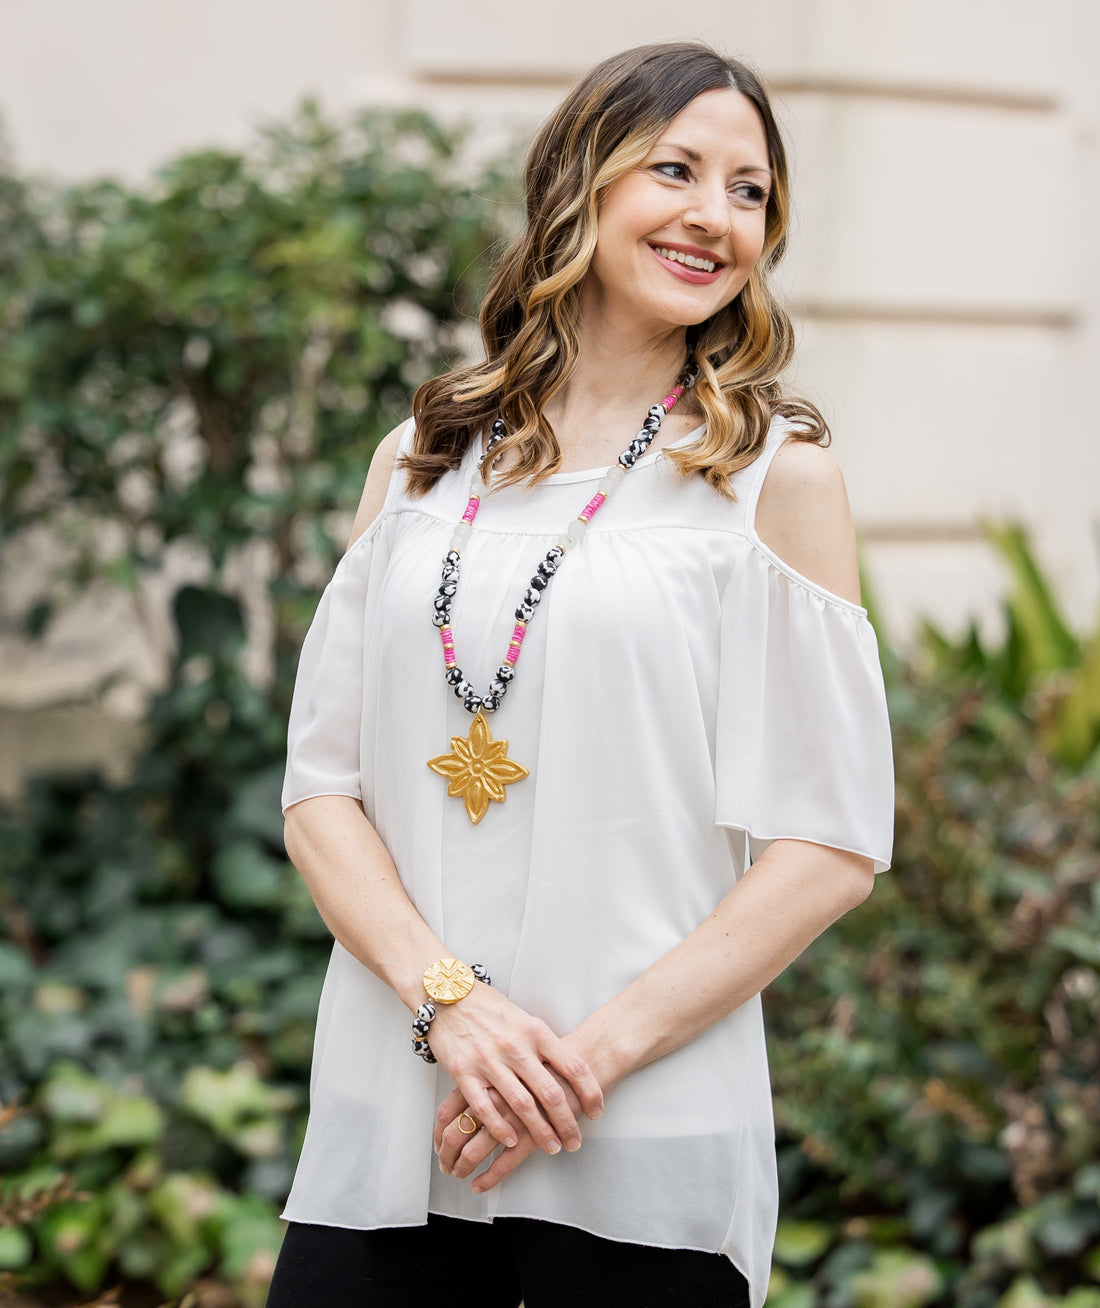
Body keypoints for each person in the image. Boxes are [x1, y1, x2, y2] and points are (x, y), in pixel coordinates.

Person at [265, 40, 894, 1308]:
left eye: (750, 190)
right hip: (401, 1103)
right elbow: (320, 790)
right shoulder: (420, 459)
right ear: (580, 185)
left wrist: (576, 1065)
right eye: (676, 170)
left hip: (638, 1128)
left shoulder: (774, 479)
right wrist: (453, 1009)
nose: (713, 217)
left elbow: (826, 843)